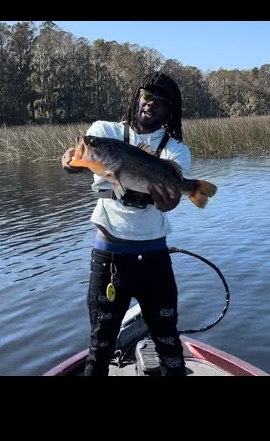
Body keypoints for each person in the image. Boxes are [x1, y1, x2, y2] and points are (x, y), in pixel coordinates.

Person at [61, 72, 191, 376]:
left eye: (161, 101)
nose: (151, 104)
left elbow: (169, 203)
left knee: (169, 343)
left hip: (154, 259)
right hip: (109, 257)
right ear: (137, 96)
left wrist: (169, 198)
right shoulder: (104, 131)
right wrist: (70, 161)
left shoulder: (176, 151)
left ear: (170, 110)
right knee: (100, 345)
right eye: (147, 96)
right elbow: (72, 163)